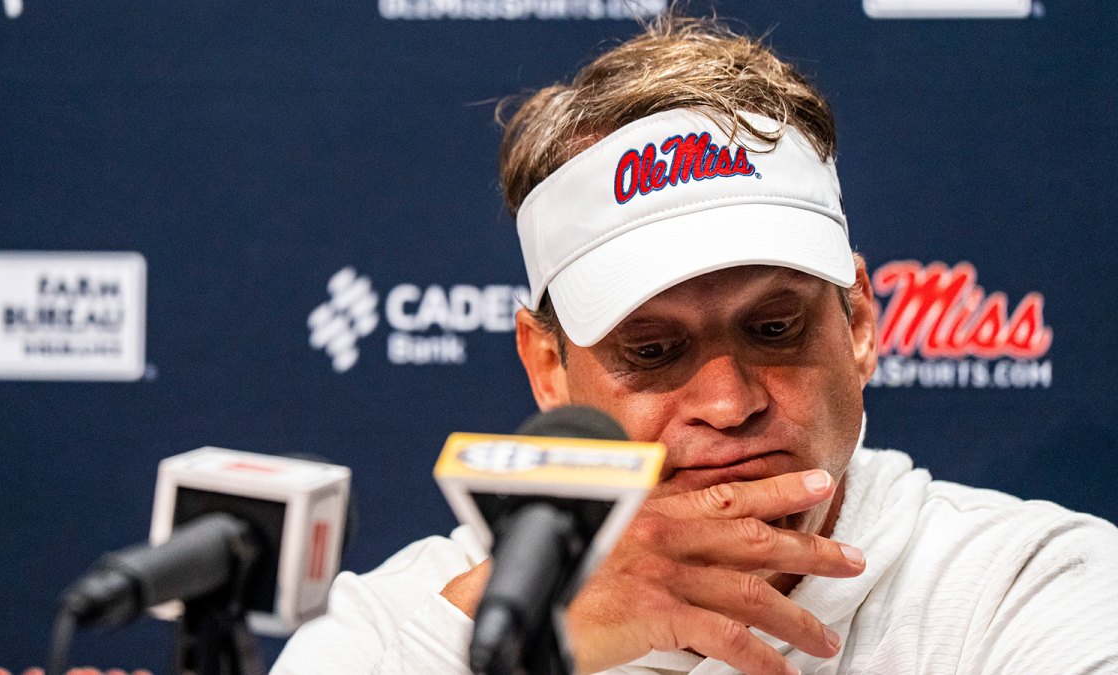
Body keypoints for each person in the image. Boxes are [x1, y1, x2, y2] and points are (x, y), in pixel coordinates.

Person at [273, 14, 1118, 675]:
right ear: (546, 366)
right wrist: (526, 632)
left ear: (859, 323)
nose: (729, 402)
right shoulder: (397, 625)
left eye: (775, 328)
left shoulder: (1032, 584)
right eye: (651, 350)